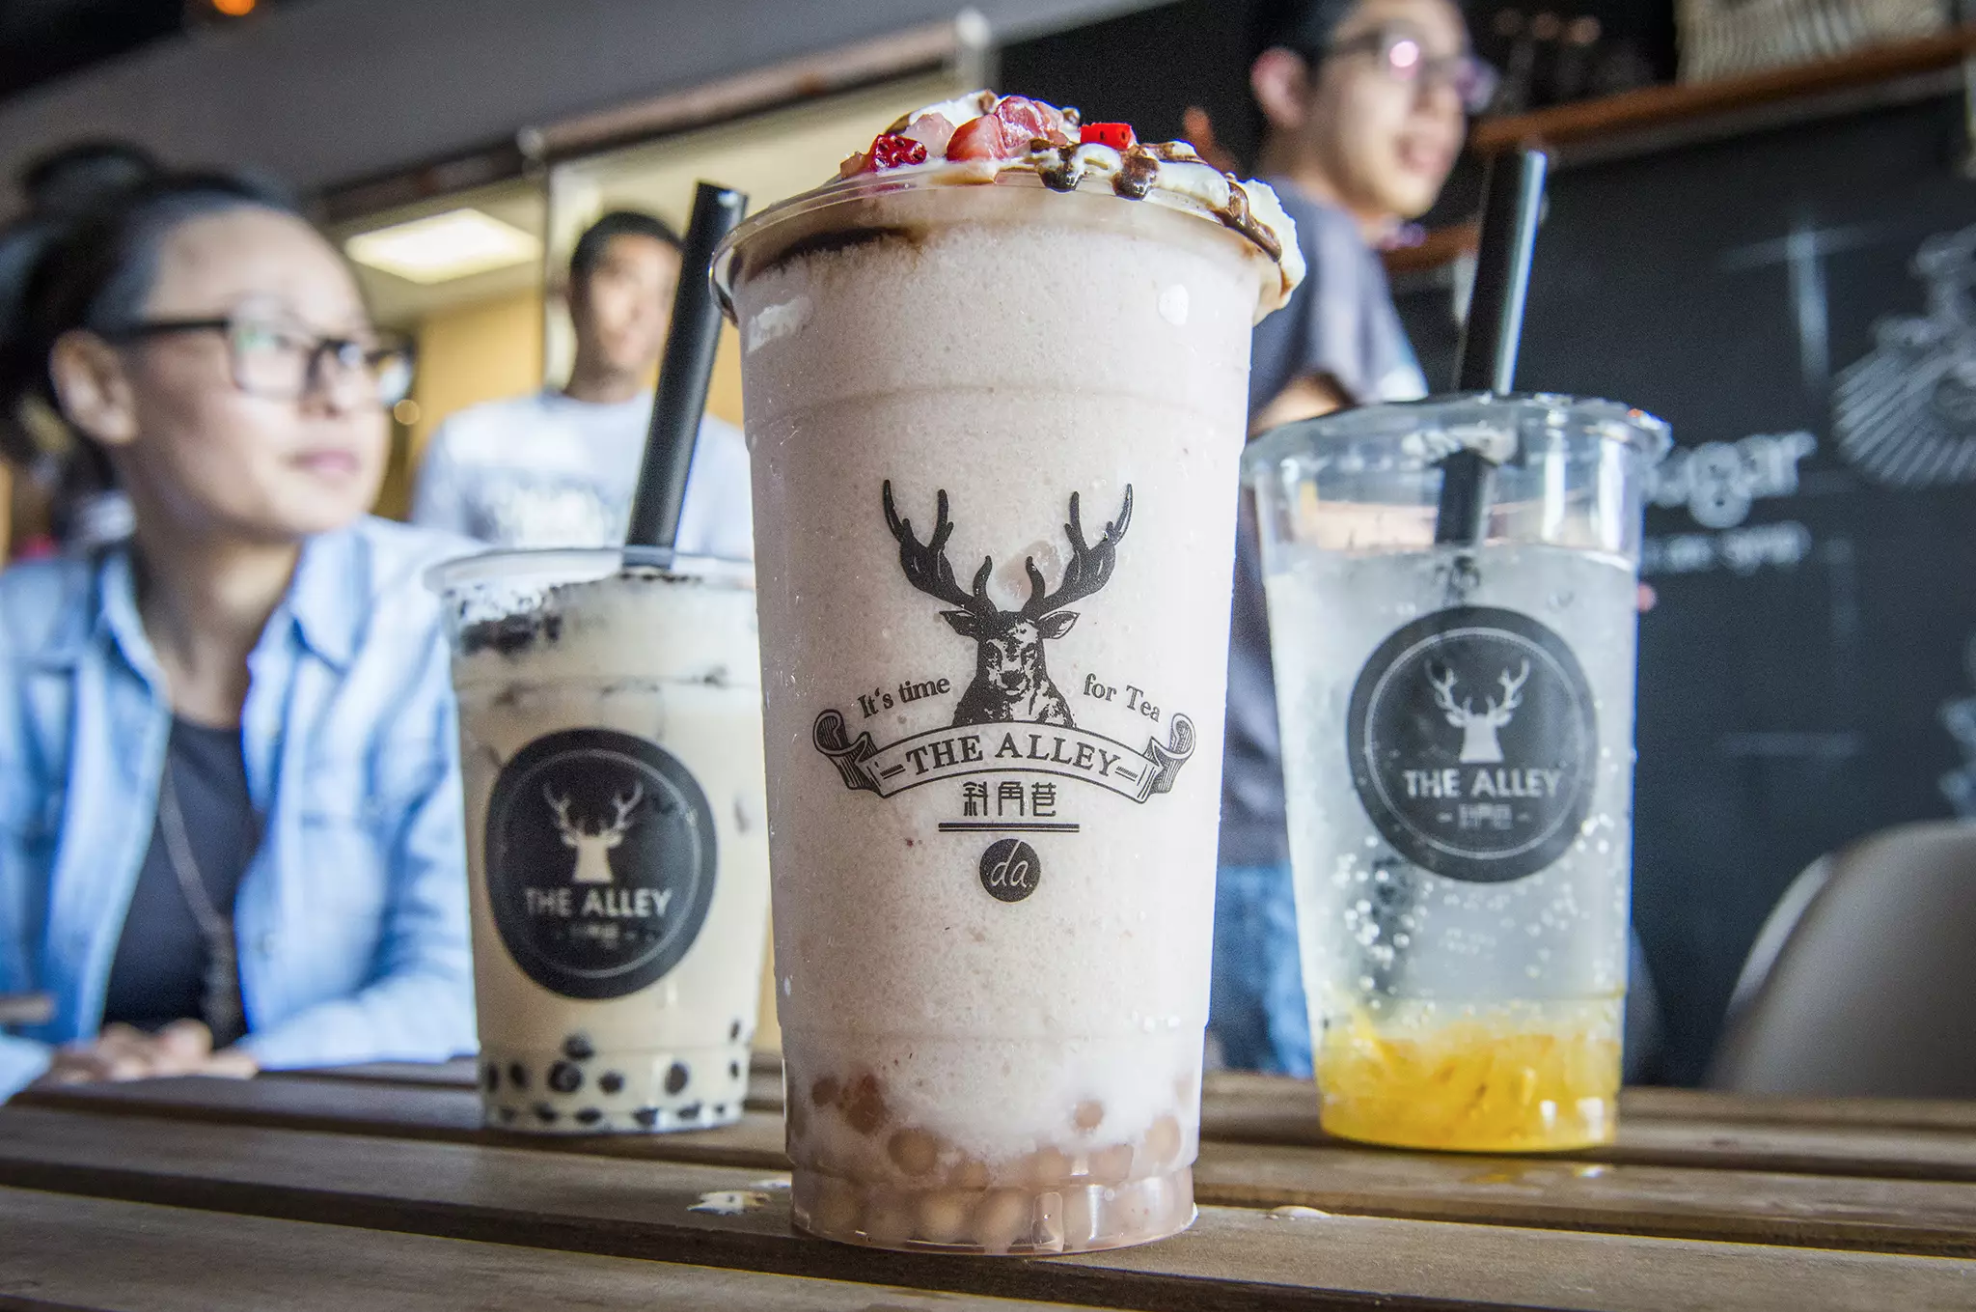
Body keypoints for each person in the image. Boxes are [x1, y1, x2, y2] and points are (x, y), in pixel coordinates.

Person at [0, 169, 476, 1100]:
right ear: (100, 386)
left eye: (354, 348)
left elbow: (471, 984)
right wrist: (50, 1071)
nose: (339, 393)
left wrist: (225, 1075)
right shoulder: (16, 643)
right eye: (272, 340)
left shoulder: (453, 620)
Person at [1210, 0, 1488, 1074]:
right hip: (1278, 814)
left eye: (1461, 78)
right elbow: (1290, 513)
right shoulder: (1300, 238)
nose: (1439, 103)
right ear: (1287, 88)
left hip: (1254, 810)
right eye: (1402, 56)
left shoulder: (1300, 250)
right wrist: (1510, 552)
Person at [410, 209, 752, 556]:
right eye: (624, 280)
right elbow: (428, 588)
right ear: (570, 290)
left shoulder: (717, 456)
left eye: (665, 295)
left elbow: (734, 597)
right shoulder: (470, 441)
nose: (642, 311)